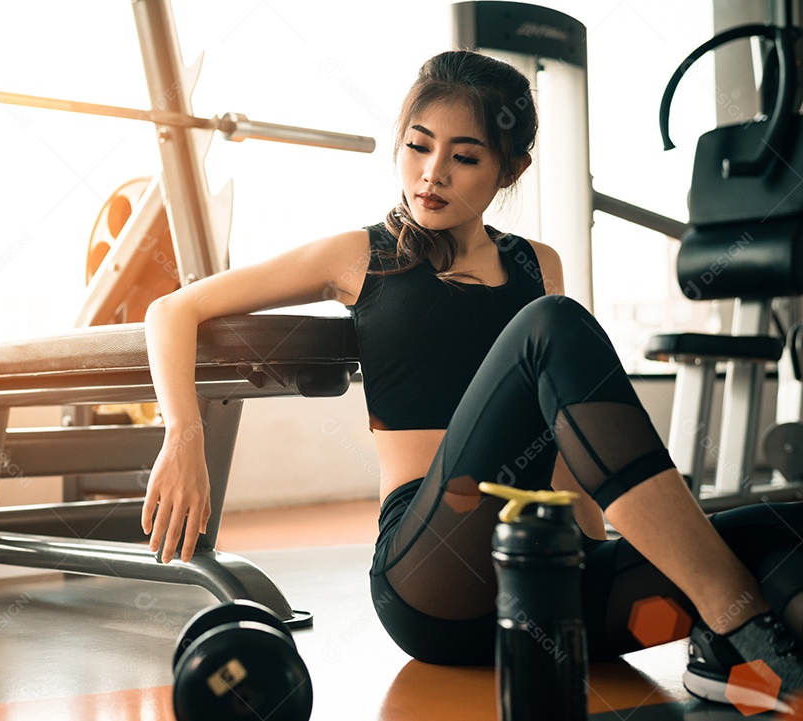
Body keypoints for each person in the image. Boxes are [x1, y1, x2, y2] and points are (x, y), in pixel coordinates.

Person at [141, 50, 803, 713]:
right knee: (551, 324)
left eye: (464, 157)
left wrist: (593, 559)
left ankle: (721, 652)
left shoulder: (537, 265)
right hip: (432, 579)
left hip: (539, 580)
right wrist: (183, 434)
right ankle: (737, 625)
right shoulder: (362, 256)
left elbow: (571, 446)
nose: (432, 173)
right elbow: (173, 310)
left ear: (510, 170)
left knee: (786, 531)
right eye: (418, 146)